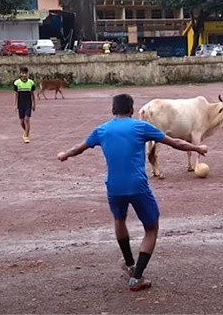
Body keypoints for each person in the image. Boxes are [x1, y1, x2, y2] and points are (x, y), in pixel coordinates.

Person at [57, 94, 208, 291]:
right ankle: (137, 278)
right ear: (131, 110)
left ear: (113, 111)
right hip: (137, 187)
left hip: (114, 187)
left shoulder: (102, 130)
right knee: (151, 228)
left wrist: (65, 154)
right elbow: (176, 143)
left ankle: (129, 264)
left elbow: (80, 148)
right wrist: (199, 148)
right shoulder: (141, 127)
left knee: (119, 221)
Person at [13, 66, 36, 143]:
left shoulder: (31, 83)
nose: (24, 74)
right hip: (20, 104)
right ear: (20, 74)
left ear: (27, 74)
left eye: (25, 73)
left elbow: (32, 94)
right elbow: (16, 94)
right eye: (22, 73)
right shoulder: (17, 83)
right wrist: (15, 105)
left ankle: (26, 136)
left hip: (28, 104)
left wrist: (34, 104)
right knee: (22, 122)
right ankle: (26, 131)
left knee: (27, 119)